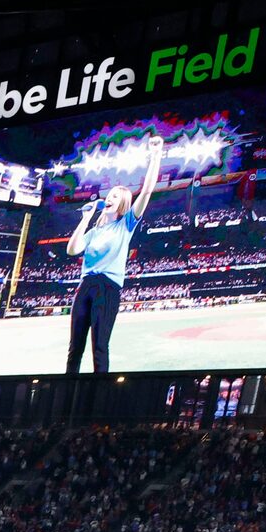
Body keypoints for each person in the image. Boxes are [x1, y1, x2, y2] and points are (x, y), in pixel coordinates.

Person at [63, 136, 162, 377]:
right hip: (85, 286)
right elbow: (72, 250)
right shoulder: (95, 231)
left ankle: (97, 397)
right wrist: (85, 219)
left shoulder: (126, 225)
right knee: (75, 347)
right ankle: (65, 392)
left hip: (107, 288)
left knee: (99, 346)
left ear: (123, 204)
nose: (110, 198)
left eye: (116, 196)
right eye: (110, 195)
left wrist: (156, 155)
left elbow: (147, 191)